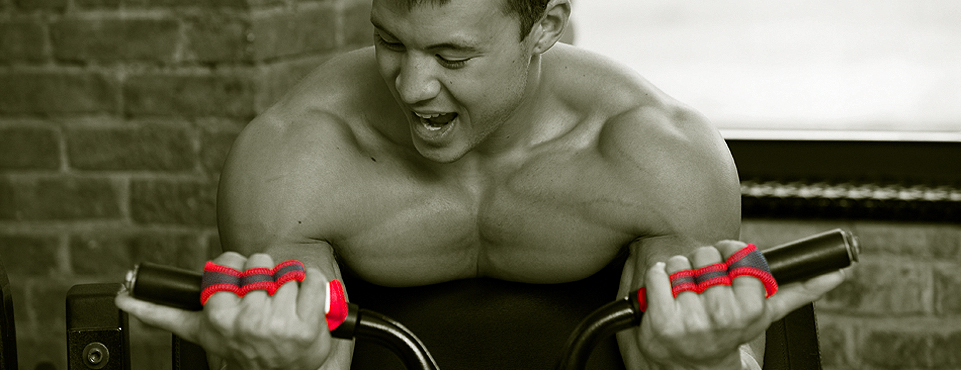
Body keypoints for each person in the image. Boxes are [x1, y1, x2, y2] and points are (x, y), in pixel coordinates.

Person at [115, 0, 847, 369]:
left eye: (451, 55)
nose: (410, 84)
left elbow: (680, 357)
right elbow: (304, 351)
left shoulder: (656, 152)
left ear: (546, 27)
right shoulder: (296, 153)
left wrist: (701, 363)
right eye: (389, 41)